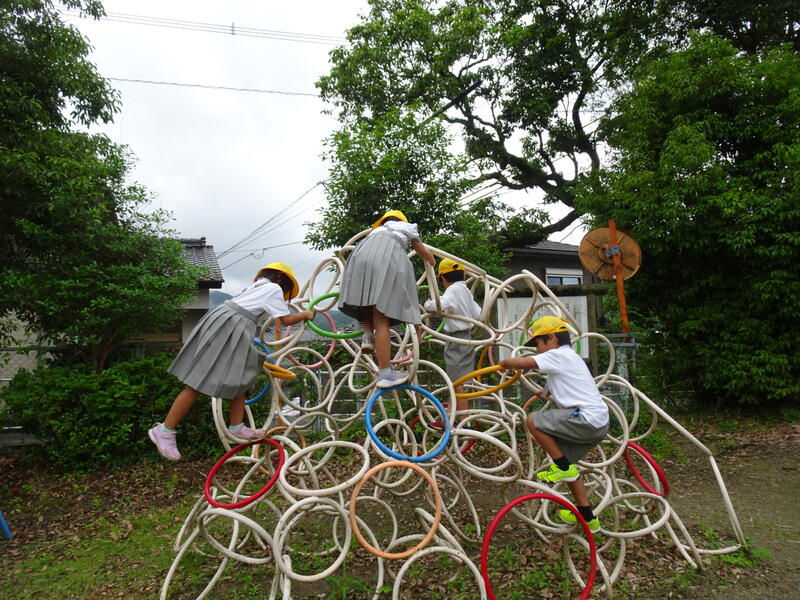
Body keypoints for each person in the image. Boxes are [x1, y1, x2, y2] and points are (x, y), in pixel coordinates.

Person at [148, 262, 314, 461]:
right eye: (287, 288)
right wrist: (306, 314)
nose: (285, 292)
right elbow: (286, 320)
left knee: (242, 373)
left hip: (231, 322)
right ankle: (165, 430)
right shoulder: (273, 288)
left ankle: (237, 427)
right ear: (281, 280)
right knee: (199, 381)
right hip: (233, 323)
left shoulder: (257, 286)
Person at [498, 315, 609, 532]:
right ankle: (588, 518)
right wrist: (544, 392)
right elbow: (554, 385)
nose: (537, 350)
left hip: (585, 419)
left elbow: (523, 362)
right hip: (598, 424)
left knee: (533, 420)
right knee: (569, 468)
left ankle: (562, 466)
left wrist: (505, 363)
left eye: (538, 343)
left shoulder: (559, 355)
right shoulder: (569, 358)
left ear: (552, 338)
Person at [338, 209, 435, 388]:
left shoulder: (375, 232)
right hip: (386, 256)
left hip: (359, 256)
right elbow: (425, 254)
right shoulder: (407, 228)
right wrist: (431, 261)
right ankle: (385, 372)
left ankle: (367, 337)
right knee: (381, 316)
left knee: (365, 301)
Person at [423, 258, 481, 414]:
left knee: (457, 382)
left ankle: (462, 421)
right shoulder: (465, 290)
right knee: (457, 380)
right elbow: (477, 313)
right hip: (467, 337)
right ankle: (451, 417)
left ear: (442, 278)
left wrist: (429, 304)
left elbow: (443, 304)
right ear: (462, 274)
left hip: (456, 338)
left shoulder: (453, 290)